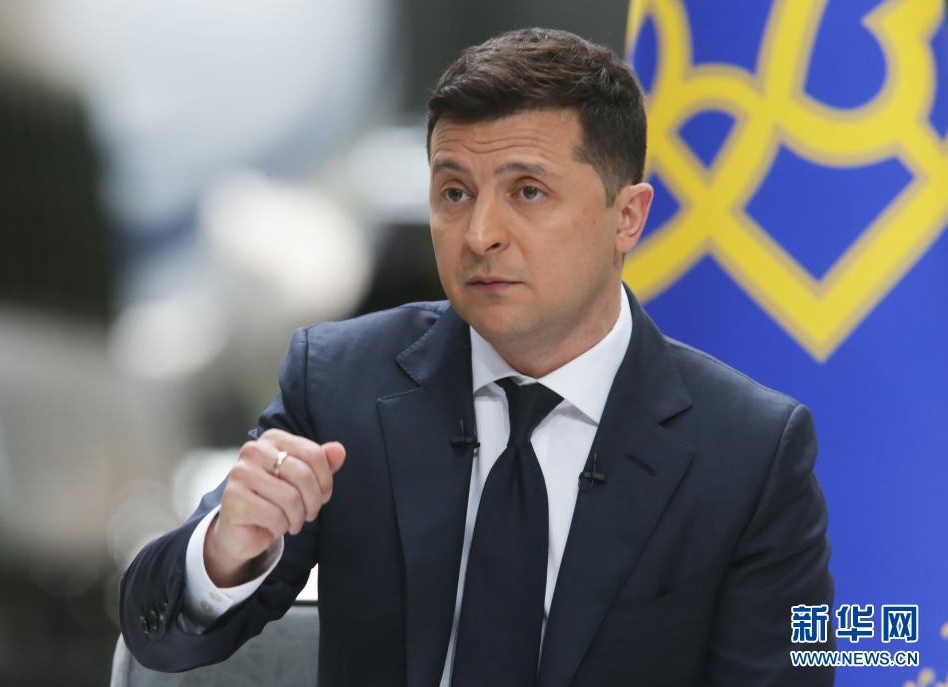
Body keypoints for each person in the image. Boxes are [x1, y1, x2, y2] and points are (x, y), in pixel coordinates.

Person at [120, 28, 834, 686]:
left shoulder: (746, 453)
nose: (479, 233)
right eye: (454, 192)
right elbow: (160, 638)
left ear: (627, 217)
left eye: (528, 191)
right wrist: (224, 550)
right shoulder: (341, 383)